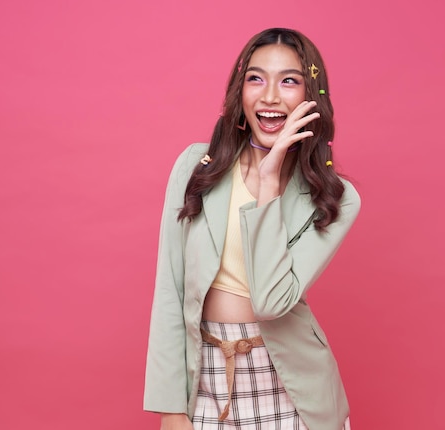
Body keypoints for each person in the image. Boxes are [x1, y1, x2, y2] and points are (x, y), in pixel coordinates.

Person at [144, 28, 360, 430]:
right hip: (206, 379)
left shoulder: (334, 197)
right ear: (239, 92)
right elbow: (170, 291)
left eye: (290, 81)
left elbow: (271, 301)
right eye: (256, 78)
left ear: (313, 97)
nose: (271, 96)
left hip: (292, 387)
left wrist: (270, 180)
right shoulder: (197, 166)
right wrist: (170, 408)